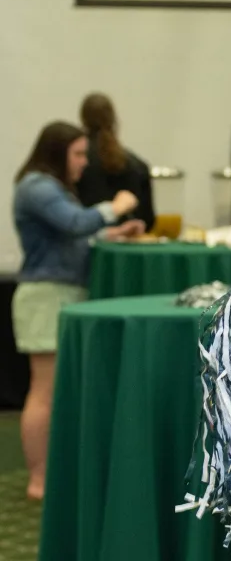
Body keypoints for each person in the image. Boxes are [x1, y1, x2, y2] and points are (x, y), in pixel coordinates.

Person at [12, 122, 141, 499]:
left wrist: (110, 234)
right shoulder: (37, 186)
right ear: (57, 153)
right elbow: (73, 224)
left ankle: (50, 472)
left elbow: (73, 237)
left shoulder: (49, 187)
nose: (85, 163)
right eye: (79, 154)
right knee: (44, 393)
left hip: (61, 295)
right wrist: (113, 209)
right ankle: (39, 477)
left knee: (55, 391)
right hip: (45, 297)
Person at [77, 93, 156, 231]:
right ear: (114, 119)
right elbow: (148, 219)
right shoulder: (137, 165)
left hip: (86, 241)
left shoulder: (74, 165)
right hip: (127, 244)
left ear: (83, 119)